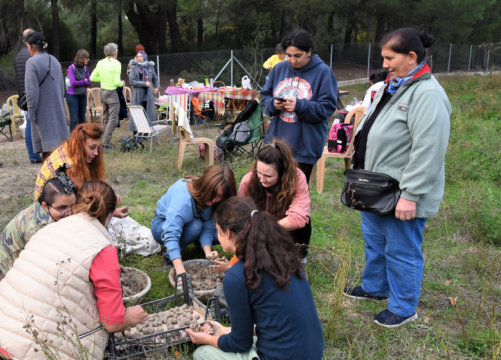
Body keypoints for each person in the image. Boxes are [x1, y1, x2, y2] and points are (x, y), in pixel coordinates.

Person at [344, 28, 451, 328]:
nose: (385, 64)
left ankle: (404, 307)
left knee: (402, 249)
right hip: (374, 187)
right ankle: (376, 287)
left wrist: (411, 194)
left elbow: (428, 151)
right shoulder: (387, 87)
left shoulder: (427, 95)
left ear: (412, 57)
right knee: (375, 241)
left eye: (390, 58)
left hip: (400, 192)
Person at [0, 181, 148, 360]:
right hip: (27, 350)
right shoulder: (103, 250)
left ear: (77, 204)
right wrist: (130, 317)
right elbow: (112, 322)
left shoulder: (49, 228)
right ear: (109, 215)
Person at [186, 197, 323, 360]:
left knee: (202, 354)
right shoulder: (284, 256)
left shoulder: (236, 276)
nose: (217, 235)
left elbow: (240, 344)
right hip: (312, 352)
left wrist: (207, 339)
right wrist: (227, 330)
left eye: (217, 230)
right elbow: (275, 319)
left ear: (228, 232)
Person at [0, 167, 77, 301]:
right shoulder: (39, 229)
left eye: (73, 206)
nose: (70, 212)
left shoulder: (44, 210)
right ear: (45, 205)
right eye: (62, 208)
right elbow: (51, 269)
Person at [214, 141, 310, 272]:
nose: (261, 179)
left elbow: (300, 215)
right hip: (256, 224)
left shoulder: (297, 178)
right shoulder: (249, 180)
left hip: (280, 224)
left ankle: (299, 260)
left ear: (282, 173)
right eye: (259, 172)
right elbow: (239, 214)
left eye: (268, 176)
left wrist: (268, 228)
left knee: (304, 226)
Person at [261, 29, 338, 183]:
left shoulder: (323, 72)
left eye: (297, 56)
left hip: (304, 148)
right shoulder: (279, 69)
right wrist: (274, 104)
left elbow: (327, 108)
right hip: (275, 143)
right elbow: (265, 98)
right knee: (270, 193)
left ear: (309, 51)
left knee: (295, 196)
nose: (292, 60)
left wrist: (299, 105)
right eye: (288, 55)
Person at [151, 165, 237, 274]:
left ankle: (199, 243)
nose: (214, 199)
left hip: (192, 223)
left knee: (221, 234)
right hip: (161, 226)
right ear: (206, 186)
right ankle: (169, 257)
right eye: (212, 193)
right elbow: (171, 233)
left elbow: (208, 227)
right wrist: (180, 270)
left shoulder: (215, 200)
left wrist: (208, 253)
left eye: (220, 196)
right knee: (196, 226)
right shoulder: (183, 199)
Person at [24, 31, 70, 158]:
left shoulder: (31, 62)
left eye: (28, 46)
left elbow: (31, 92)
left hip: (42, 113)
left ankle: (50, 177)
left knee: (47, 151)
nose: (27, 49)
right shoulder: (54, 60)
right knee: (59, 151)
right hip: (57, 110)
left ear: (33, 46)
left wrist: (31, 114)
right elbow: (62, 88)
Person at [14, 28, 42, 164]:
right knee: (32, 125)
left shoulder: (19, 55)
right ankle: (34, 155)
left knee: (30, 124)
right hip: (32, 94)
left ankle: (33, 154)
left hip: (23, 95)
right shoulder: (31, 56)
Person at [90, 43, 124, 150]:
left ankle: (103, 141)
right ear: (115, 52)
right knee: (113, 119)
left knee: (105, 118)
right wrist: (122, 83)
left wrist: (104, 79)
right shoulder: (117, 63)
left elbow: (92, 77)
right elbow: (116, 81)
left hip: (103, 92)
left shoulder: (100, 63)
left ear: (105, 52)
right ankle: (106, 143)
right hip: (112, 93)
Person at [128, 50, 160, 136]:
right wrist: (144, 83)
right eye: (137, 57)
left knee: (147, 114)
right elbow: (131, 81)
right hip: (138, 95)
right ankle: (137, 135)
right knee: (137, 115)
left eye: (140, 56)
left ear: (144, 57)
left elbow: (155, 79)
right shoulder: (134, 67)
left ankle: (146, 134)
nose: (139, 58)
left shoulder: (150, 67)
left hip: (148, 94)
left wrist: (157, 88)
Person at [66, 49, 91, 132]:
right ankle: (72, 139)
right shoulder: (71, 68)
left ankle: (82, 138)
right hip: (73, 96)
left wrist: (79, 82)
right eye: (87, 58)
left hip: (83, 95)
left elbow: (89, 82)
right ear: (82, 58)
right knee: (74, 119)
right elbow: (73, 83)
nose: (88, 59)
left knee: (82, 119)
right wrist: (84, 81)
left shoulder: (85, 68)